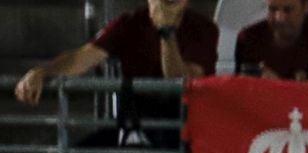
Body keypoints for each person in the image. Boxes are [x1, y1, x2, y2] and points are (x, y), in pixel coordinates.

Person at [13, 0, 219, 107]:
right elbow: (81, 58)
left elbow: (179, 84)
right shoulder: (129, 24)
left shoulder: (204, 29)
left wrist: (166, 32)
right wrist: (42, 71)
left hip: (185, 129)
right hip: (137, 124)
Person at [237, 0, 308, 80]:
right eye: (273, 9)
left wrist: (276, 87)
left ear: (305, 6)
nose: (279, 18)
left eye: (287, 10)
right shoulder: (249, 38)